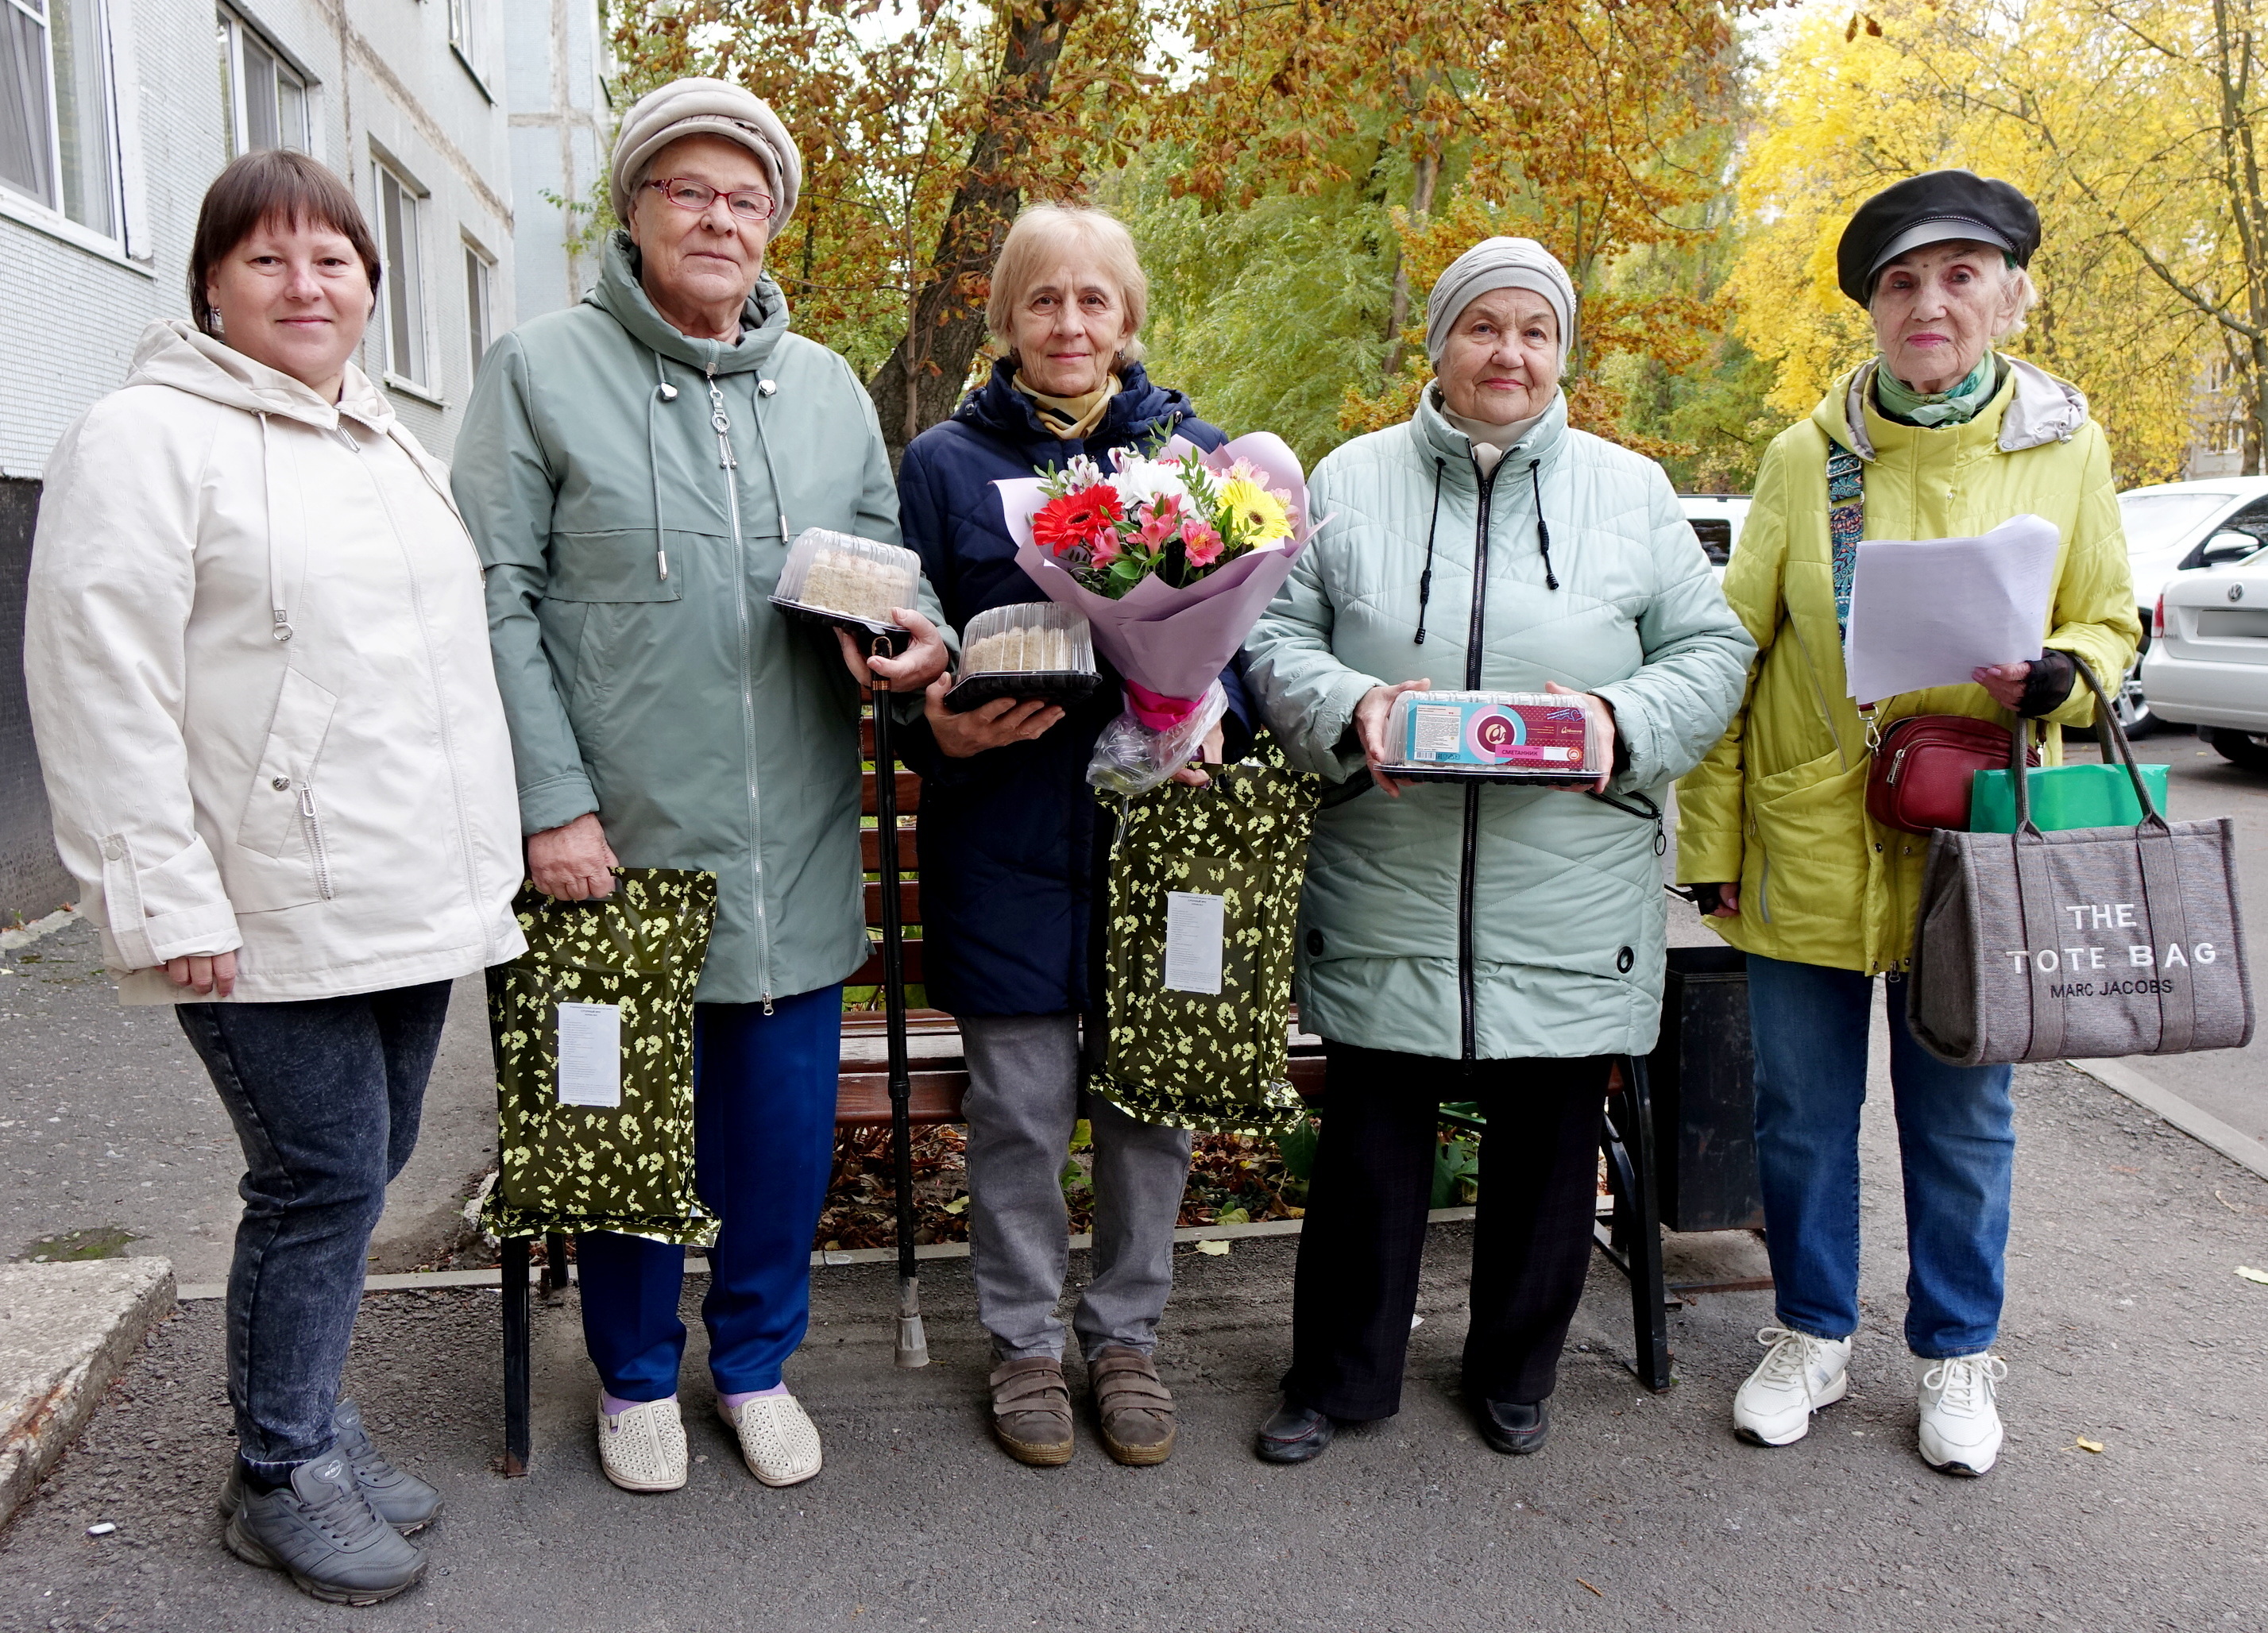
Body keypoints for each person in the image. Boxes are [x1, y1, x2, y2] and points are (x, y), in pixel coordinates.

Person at [23, 149, 525, 1604]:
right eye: (269, 259)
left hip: (406, 894)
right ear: (210, 284)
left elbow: (434, 683)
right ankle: (273, 1471)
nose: (307, 286)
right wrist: (159, 895)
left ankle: (312, 1422)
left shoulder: (382, 438)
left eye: (337, 261)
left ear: (371, 288)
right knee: (314, 1181)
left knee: (358, 1178)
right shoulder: (146, 436)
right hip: (261, 904)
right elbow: (100, 681)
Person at [452, 77, 950, 1497]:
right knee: (621, 1119)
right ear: (636, 208)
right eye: (690, 190)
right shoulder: (542, 371)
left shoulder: (830, 389)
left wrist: (908, 644)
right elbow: (497, 600)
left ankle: (752, 1363)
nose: (720, 218)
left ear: (775, 225)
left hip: (789, 835)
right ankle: (628, 1374)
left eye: (747, 198)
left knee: (782, 1137)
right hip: (613, 847)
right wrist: (552, 803)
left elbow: (882, 575)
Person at [1242, 237, 1753, 1464]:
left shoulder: (1631, 492)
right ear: (1440, 344)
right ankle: (1340, 1377)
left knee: (1548, 1148)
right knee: (1371, 1149)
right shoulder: (1350, 480)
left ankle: (1516, 1372)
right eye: (1483, 327)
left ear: (1562, 353)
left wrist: (1619, 723)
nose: (1507, 353)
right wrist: (1350, 711)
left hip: (1570, 885)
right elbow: (1271, 635)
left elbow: (1714, 654)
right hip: (1390, 877)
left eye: (1535, 331)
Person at [1676, 171, 2140, 1477]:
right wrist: (1709, 844)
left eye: (1958, 275)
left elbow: (2109, 615)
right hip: (1811, 829)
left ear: (2007, 292)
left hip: (1977, 839)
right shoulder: (1803, 458)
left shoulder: (2066, 446)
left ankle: (1956, 1356)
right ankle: (1812, 1332)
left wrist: (2064, 673)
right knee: (1801, 1116)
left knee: (1964, 1120)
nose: (1929, 302)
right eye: (1900, 282)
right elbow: (1729, 656)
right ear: (1871, 309)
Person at [896, 203, 1246, 1468]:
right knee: (1021, 1112)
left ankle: (1129, 1339)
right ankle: (1026, 1347)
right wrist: (937, 733)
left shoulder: (1198, 456)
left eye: (1095, 299)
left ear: (1129, 318)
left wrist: (1212, 717)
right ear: (1007, 318)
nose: (1070, 323)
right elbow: (905, 651)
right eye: (1044, 300)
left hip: (1158, 842)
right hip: (1003, 837)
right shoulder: (942, 464)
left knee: (1151, 1106)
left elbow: (1246, 639)